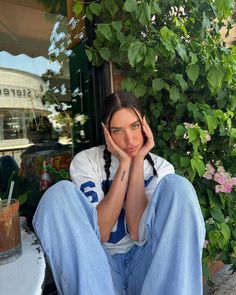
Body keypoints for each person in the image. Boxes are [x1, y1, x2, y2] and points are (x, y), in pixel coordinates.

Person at [33, 90, 206, 295]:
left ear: (144, 124)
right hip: (99, 269)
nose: (130, 140)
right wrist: (125, 163)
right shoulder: (87, 161)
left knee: (180, 187)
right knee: (57, 195)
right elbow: (102, 232)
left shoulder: (161, 168)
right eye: (117, 131)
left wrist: (138, 161)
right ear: (106, 131)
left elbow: (137, 231)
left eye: (134, 127)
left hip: (149, 266)